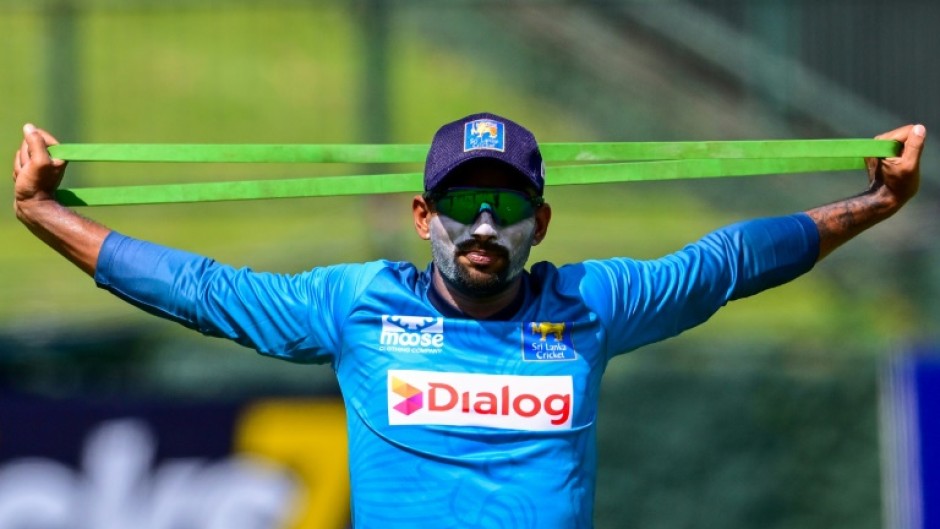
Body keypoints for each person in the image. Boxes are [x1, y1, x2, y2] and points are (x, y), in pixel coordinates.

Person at [12, 112, 925, 528]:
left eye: (506, 204)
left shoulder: (589, 307)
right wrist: (49, 217)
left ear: (541, 222)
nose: (483, 226)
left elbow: (723, 265)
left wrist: (869, 207)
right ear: (421, 216)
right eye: (462, 203)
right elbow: (205, 289)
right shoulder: (359, 306)